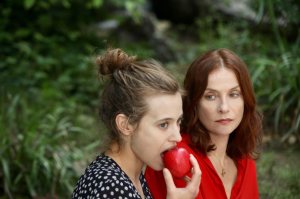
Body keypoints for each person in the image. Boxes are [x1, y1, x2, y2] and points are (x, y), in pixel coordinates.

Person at [72, 48, 201, 199]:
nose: (177, 137)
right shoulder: (111, 188)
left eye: (178, 122)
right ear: (125, 125)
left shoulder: (131, 176)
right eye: (163, 125)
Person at [145, 48, 263, 199]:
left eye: (234, 94)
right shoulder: (178, 159)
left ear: (245, 99)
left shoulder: (245, 159)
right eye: (211, 96)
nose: (224, 108)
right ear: (194, 103)